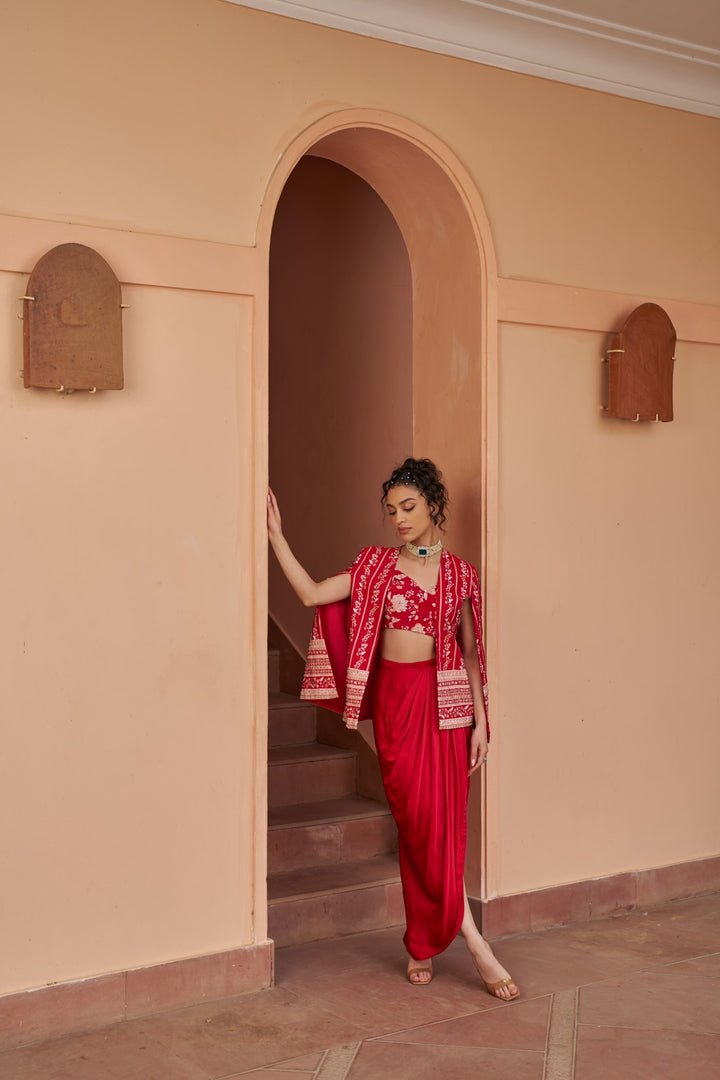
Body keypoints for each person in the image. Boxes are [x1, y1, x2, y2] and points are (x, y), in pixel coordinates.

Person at [267, 458, 519, 1000]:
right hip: (398, 706)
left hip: (449, 707)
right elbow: (312, 595)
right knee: (416, 824)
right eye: (391, 511)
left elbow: (473, 655)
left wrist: (481, 724)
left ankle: (446, 943)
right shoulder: (376, 566)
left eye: (408, 507)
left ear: (432, 503)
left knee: (444, 826)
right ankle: (439, 937)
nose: (399, 519)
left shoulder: (460, 575)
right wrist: (276, 537)